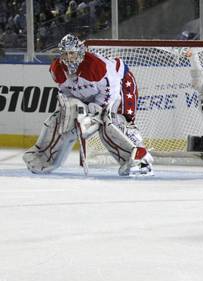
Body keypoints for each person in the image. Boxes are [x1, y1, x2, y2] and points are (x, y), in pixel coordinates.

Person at [23, 33, 153, 176]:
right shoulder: (57, 69)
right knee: (63, 118)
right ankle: (44, 158)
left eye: (72, 53)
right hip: (92, 93)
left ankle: (140, 160)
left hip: (120, 83)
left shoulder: (96, 66)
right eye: (65, 54)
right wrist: (75, 110)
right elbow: (67, 94)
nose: (68, 58)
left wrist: (96, 111)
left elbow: (110, 92)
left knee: (111, 121)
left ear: (80, 52)